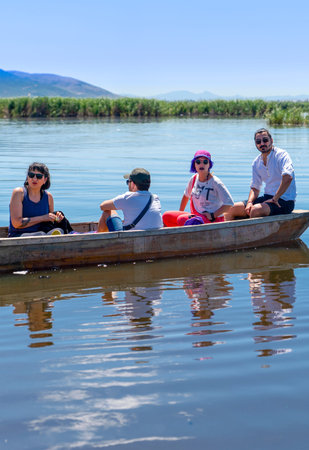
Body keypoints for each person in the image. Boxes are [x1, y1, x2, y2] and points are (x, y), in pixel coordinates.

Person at [225, 128, 296, 220]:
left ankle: (252, 234)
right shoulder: (256, 162)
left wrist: (275, 198)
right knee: (230, 209)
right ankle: (233, 234)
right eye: (258, 141)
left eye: (265, 140)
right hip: (267, 198)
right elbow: (255, 188)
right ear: (255, 144)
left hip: (284, 201)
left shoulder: (281, 155)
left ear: (271, 140)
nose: (262, 143)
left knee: (255, 210)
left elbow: (288, 177)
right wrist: (250, 202)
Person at [162, 150, 234, 227]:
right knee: (166, 216)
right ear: (194, 164)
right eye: (198, 162)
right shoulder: (193, 179)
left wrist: (213, 215)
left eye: (205, 162)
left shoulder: (215, 182)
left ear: (209, 164)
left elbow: (229, 203)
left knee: (182, 219)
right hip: (196, 217)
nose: (201, 164)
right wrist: (180, 212)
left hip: (212, 220)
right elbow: (186, 196)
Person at [98, 168, 163, 232]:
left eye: (128, 182)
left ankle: (99, 239)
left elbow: (102, 206)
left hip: (128, 239)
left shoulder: (127, 198)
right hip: (154, 239)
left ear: (133, 184)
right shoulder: (155, 198)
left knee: (108, 211)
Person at [8, 162, 64, 237]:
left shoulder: (48, 197)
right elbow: (16, 223)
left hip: (42, 234)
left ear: (45, 180)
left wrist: (57, 218)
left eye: (39, 176)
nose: (34, 179)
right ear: (27, 177)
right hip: (19, 236)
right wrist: (43, 218)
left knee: (60, 230)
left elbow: (49, 223)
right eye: (31, 175)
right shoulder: (19, 193)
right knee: (41, 234)